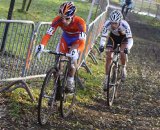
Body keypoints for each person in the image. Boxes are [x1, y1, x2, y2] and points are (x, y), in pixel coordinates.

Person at [35, 1, 86, 93]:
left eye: (67, 18)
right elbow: (49, 33)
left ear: (73, 16)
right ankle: (56, 89)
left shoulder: (80, 22)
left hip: (76, 41)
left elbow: (82, 42)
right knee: (58, 64)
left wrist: (77, 50)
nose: (63, 21)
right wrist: (42, 45)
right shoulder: (57, 20)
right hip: (65, 39)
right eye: (62, 18)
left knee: (72, 62)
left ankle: (70, 80)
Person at [99, 10, 133, 91]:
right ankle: (106, 78)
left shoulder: (125, 25)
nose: (113, 25)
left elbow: (130, 39)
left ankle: (123, 68)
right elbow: (103, 36)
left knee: (122, 53)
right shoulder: (107, 24)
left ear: (119, 22)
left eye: (115, 23)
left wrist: (127, 48)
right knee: (108, 55)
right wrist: (101, 45)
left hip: (123, 38)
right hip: (113, 38)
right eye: (112, 23)